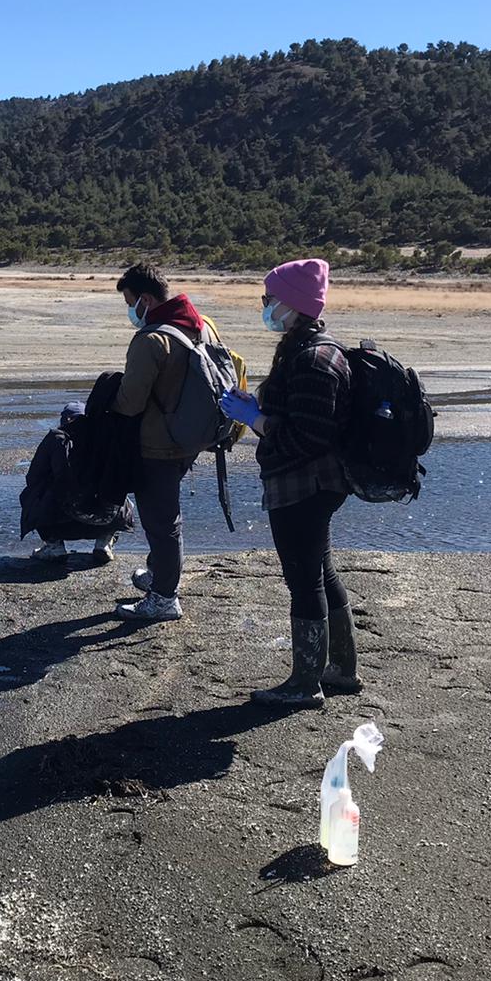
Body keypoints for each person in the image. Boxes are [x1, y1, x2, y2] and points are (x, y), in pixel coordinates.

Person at [218, 258, 361, 707]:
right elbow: (303, 421)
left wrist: (255, 419)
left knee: (304, 580)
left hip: (304, 486)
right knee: (320, 570)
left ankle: (305, 683)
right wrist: (256, 407)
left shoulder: (315, 358)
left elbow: (308, 436)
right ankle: (340, 670)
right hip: (312, 484)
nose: (264, 307)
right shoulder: (309, 349)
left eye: (269, 299)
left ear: (292, 304)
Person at [111, 262, 238, 622]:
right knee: (165, 515)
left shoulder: (152, 339)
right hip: (192, 438)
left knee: (162, 520)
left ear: (146, 300)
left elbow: (130, 402)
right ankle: (158, 574)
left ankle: (165, 597)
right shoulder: (202, 324)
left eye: (130, 302)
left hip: (158, 445)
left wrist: (108, 401)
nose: (130, 310)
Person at [21, 401, 132, 564]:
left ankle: (54, 544)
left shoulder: (56, 437)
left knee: (30, 494)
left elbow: (33, 478)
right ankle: (104, 541)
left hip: (62, 515)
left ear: (65, 419)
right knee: (117, 492)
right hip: (106, 517)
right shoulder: (104, 437)